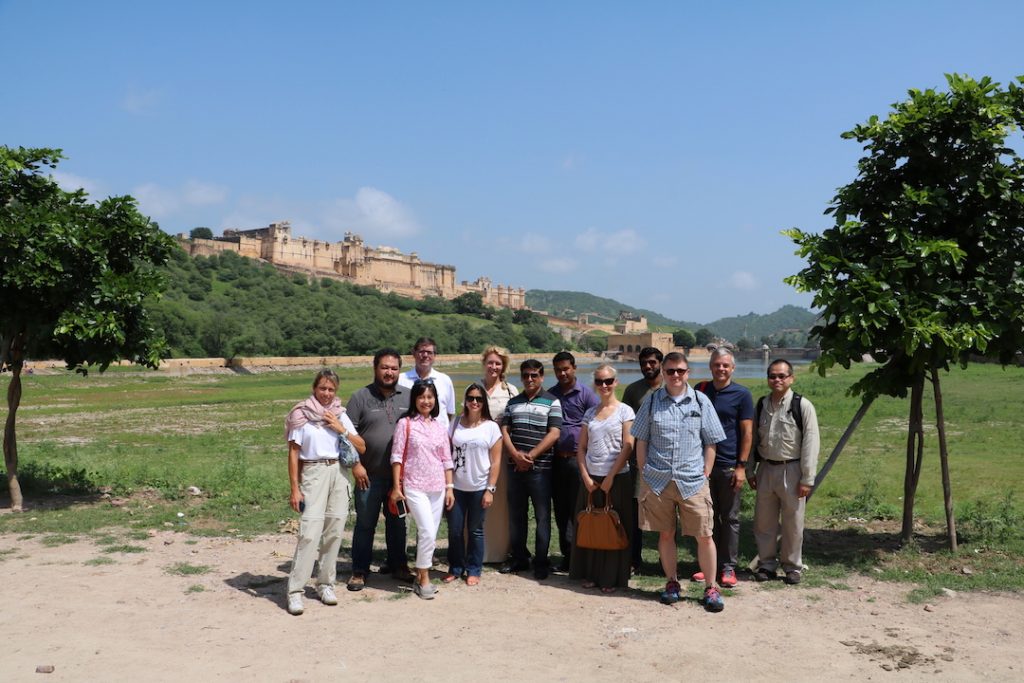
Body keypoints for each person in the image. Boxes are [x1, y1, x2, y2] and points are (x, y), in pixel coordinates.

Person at [631, 352, 727, 612]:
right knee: (665, 534)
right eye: (670, 370)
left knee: (705, 535)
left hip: (692, 480)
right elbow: (641, 440)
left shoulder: (700, 401)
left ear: (688, 373)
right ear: (663, 372)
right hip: (659, 480)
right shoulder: (651, 403)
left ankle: (711, 587)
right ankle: (672, 582)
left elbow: (711, 441)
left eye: (680, 371)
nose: (675, 375)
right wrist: (644, 470)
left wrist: (705, 471)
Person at [284, 369, 367, 615]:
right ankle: (295, 591)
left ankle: (325, 584)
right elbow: (293, 453)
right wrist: (294, 489)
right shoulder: (301, 415)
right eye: (322, 388)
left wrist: (340, 428)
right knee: (309, 532)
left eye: (331, 389)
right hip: (313, 472)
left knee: (335, 530)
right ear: (314, 388)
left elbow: (361, 445)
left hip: (338, 473)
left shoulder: (339, 414)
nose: (327, 393)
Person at [345, 349, 414, 591]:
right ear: (375, 368)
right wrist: (356, 465)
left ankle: (399, 566)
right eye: (384, 367)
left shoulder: (408, 397)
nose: (389, 372)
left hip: (399, 479)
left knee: (398, 524)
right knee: (365, 524)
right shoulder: (359, 397)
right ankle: (360, 570)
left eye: (394, 368)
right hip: (368, 475)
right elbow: (347, 437)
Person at [747, 359, 820, 586]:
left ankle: (792, 566)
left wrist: (808, 478)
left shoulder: (802, 405)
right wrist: (750, 469)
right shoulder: (762, 405)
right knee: (764, 522)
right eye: (772, 376)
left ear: (791, 378)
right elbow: (752, 441)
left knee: (793, 521)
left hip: (793, 469)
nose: (777, 380)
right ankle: (766, 564)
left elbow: (811, 442)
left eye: (782, 376)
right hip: (767, 468)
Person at [570, 364, 635, 593]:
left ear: (616, 382)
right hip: (591, 477)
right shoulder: (590, 412)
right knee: (591, 524)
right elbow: (581, 448)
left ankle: (611, 577)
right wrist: (585, 476)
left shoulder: (625, 411)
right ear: (595, 385)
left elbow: (628, 445)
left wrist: (610, 477)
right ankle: (591, 574)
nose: (604, 386)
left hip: (616, 477)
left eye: (608, 381)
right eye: (600, 382)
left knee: (613, 525)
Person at [692, 348, 754, 587]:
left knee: (729, 517)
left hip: (728, 464)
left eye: (725, 365)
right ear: (710, 367)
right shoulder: (701, 390)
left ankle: (728, 567)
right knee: (706, 517)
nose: (721, 369)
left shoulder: (742, 394)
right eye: (717, 365)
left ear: (732, 368)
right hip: (702, 465)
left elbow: (747, 433)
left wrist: (741, 467)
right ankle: (709, 565)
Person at [389, 379, 455, 599]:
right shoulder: (405, 423)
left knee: (431, 534)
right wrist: (396, 486)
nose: (426, 401)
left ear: (435, 400)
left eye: (430, 397)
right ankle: (424, 576)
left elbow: (446, 459)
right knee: (426, 530)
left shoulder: (439, 426)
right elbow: (397, 456)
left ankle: (420, 574)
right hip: (414, 485)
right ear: (414, 399)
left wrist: (449, 487)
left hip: (437, 486)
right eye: (421, 397)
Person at [500, 359, 562, 580]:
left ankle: (541, 561)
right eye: (526, 375)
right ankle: (519, 558)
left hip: (541, 470)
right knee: (517, 516)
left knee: (542, 517)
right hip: (515, 469)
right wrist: (516, 456)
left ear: (542, 377)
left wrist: (531, 456)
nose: (529, 379)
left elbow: (554, 433)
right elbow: (505, 431)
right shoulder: (513, 402)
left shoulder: (552, 402)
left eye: (534, 375)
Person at [446, 383, 502, 585]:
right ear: (465, 400)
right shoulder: (454, 424)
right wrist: (449, 487)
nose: (475, 402)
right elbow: (446, 457)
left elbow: (496, 461)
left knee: (475, 530)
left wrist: (490, 489)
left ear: (484, 402)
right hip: (457, 488)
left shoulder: (491, 427)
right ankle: (455, 567)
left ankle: (473, 569)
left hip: (479, 487)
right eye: (471, 398)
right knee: (454, 530)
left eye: (479, 399)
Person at [549, 351, 599, 572]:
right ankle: (568, 555)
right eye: (558, 369)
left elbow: (599, 423)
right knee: (561, 511)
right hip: (556, 462)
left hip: (579, 462)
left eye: (566, 368)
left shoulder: (587, 395)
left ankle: (583, 555)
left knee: (579, 509)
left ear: (574, 368)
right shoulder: (550, 395)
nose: (562, 373)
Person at [621, 346, 665, 573]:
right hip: (638, 461)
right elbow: (626, 426)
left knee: (666, 511)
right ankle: (633, 560)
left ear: (660, 363)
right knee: (635, 511)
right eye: (644, 363)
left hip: (666, 461)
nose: (648, 366)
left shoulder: (672, 387)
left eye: (652, 362)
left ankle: (666, 561)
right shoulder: (632, 391)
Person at [479, 345, 518, 564]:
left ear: (503, 366)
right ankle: (478, 549)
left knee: (501, 502)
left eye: (498, 363)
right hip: (478, 454)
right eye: (490, 362)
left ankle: (501, 550)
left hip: (502, 453)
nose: (494, 366)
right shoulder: (475, 389)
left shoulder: (511, 390)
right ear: (484, 364)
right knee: (478, 498)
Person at [397, 337, 457, 429]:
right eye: (421, 351)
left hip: (439, 437)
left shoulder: (445, 380)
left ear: (434, 355)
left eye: (429, 352)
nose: (425, 355)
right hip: (410, 436)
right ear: (413, 353)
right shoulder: (400, 380)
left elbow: (450, 413)